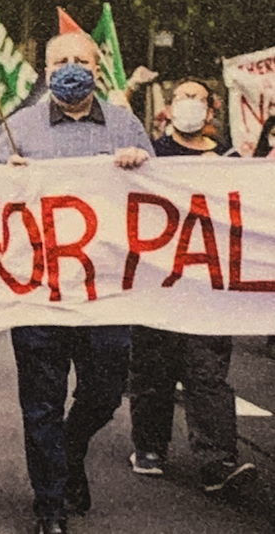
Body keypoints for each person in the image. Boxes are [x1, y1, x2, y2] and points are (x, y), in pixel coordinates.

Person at [0, 32, 154, 534]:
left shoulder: (128, 126)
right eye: (59, 59)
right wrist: (8, 177)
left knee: (105, 391)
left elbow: (159, 199)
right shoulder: (16, 130)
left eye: (79, 59)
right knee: (41, 400)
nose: (69, 66)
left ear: (97, 67)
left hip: (105, 294)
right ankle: (50, 505)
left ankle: (71, 444)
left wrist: (140, 167)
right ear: (44, 69)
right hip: (40, 293)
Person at [127, 79, 257, 493]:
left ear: (211, 110)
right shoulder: (149, 154)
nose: (190, 105)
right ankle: (149, 446)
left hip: (207, 288)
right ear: (169, 108)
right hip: (156, 283)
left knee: (208, 374)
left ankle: (218, 460)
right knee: (153, 370)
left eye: (197, 99)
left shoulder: (232, 162)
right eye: (183, 98)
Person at [153, 79, 236, 157]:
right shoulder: (155, 151)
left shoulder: (226, 154)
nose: (189, 107)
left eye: (199, 100)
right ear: (168, 111)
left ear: (210, 114)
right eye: (181, 99)